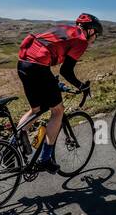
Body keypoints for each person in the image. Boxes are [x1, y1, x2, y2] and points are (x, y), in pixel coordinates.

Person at [14, 13, 102, 173]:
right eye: (96, 35)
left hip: (23, 64)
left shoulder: (65, 29)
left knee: (37, 109)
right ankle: (45, 159)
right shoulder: (81, 40)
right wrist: (82, 86)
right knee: (58, 111)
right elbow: (66, 71)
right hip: (38, 67)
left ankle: (11, 146)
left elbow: (51, 48)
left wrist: (54, 83)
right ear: (90, 31)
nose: (95, 39)